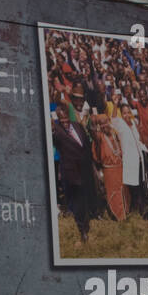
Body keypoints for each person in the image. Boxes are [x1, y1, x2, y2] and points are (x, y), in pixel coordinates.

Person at [51, 100, 97, 243]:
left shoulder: (77, 126)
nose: (65, 123)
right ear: (58, 117)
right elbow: (54, 139)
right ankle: (82, 230)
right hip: (71, 172)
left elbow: (87, 145)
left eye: (66, 120)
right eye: (61, 120)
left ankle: (89, 217)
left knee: (85, 197)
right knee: (77, 202)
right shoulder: (56, 131)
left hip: (85, 169)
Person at [91, 114, 127, 221]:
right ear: (99, 126)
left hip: (119, 166)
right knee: (113, 192)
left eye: (107, 122)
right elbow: (95, 139)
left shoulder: (114, 134)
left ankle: (125, 211)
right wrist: (94, 126)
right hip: (109, 169)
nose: (106, 125)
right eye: (103, 124)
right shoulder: (99, 137)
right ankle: (118, 215)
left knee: (122, 189)